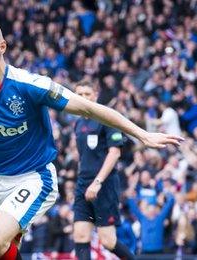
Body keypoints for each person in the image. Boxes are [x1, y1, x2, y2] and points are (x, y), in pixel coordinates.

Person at [0, 19, 182, 260]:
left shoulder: (30, 86)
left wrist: (142, 134)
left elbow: (89, 108)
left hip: (35, 177)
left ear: (2, 47)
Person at [71, 81, 135, 260]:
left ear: (95, 95)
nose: (83, 98)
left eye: (87, 94)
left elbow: (114, 153)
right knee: (80, 235)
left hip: (104, 185)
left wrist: (97, 183)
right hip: (83, 183)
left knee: (107, 240)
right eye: (79, 94)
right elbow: (84, 156)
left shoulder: (107, 118)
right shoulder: (78, 124)